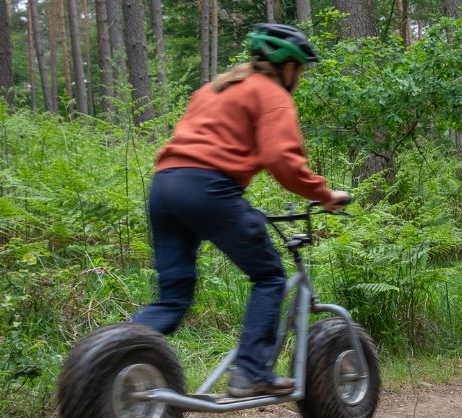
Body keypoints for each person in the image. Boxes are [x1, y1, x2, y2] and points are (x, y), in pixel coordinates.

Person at [130, 23, 349, 398]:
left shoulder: (214, 88)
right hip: (208, 188)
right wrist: (323, 193)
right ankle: (251, 371)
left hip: (165, 186)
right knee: (268, 276)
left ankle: (109, 357)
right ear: (288, 66)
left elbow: (200, 141)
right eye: (301, 69)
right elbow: (282, 159)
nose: (301, 77)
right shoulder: (272, 94)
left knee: (172, 297)